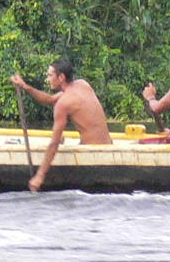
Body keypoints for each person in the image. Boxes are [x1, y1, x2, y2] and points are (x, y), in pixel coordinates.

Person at [10, 58, 112, 192]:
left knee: (60, 139)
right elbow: (50, 99)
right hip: (108, 145)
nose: (48, 79)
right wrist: (25, 87)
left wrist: (39, 176)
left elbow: (54, 143)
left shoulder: (64, 103)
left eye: (50, 75)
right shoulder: (82, 84)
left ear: (61, 77)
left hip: (93, 152)